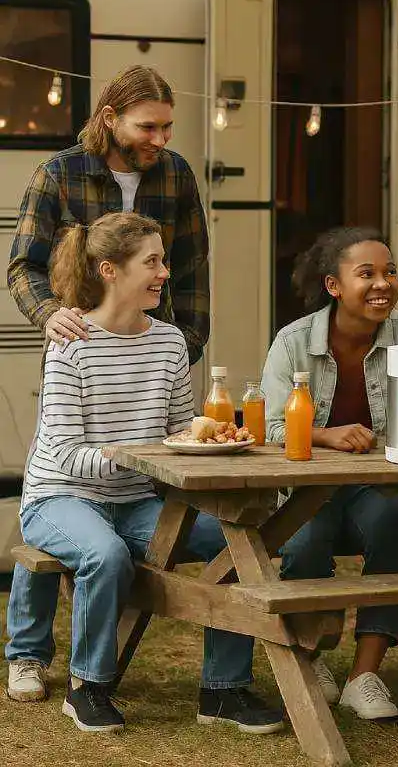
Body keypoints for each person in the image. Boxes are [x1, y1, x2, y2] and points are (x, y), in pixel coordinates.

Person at [18, 211, 281, 734]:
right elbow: (66, 453)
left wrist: (207, 445)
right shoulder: (70, 345)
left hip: (139, 500)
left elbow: (182, 432)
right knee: (105, 554)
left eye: (164, 260)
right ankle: (87, 687)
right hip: (61, 498)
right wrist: (148, 459)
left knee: (238, 542)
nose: (165, 273)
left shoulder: (170, 344)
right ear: (111, 270)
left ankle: (223, 691)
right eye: (152, 262)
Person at [6, 65, 210, 703]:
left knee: (109, 515)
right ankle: (29, 653)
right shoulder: (60, 173)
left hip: (148, 347)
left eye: (167, 125)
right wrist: (52, 318)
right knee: (65, 479)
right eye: (147, 125)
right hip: (78, 339)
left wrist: (177, 346)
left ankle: (222, 683)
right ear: (110, 118)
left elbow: (195, 268)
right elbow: (24, 265)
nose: (159, 137)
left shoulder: (174, 174)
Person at [261, 226, 398, 721]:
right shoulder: (294, 342)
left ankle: (365, 675)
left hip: (377, 483)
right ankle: (311, 659)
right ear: (334, 286)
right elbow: (272, 426)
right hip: (309, 486)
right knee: (306, 534)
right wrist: (323, 434)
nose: (383, 284)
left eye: (390, 272)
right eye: (367, 274)